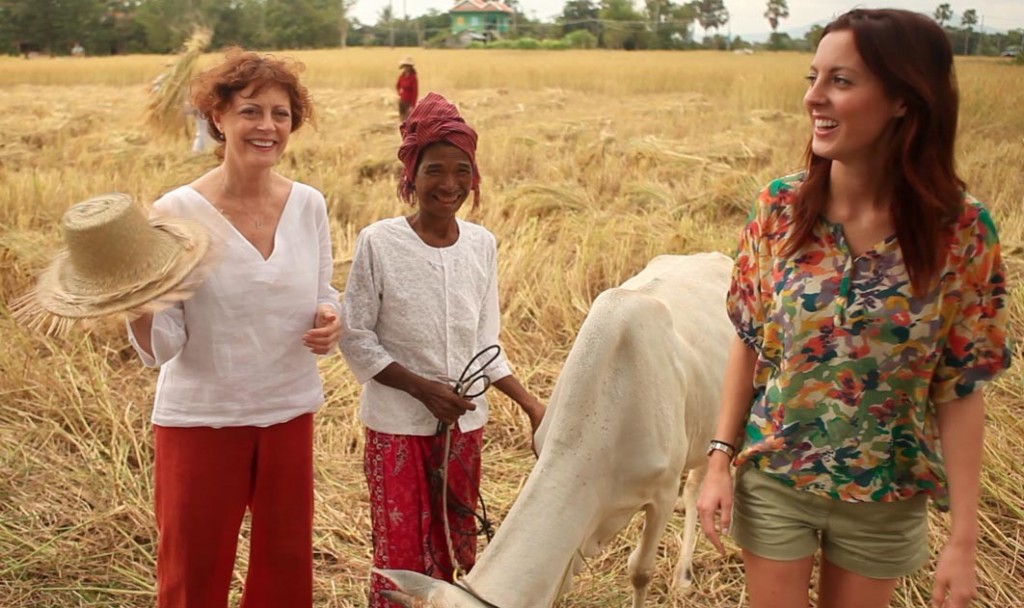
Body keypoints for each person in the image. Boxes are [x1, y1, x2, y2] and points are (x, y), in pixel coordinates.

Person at [696, 9, 1011, 608]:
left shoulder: (963, 231)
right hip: (776, 477)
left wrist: (964, 539)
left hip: (885, 493)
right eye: (812, 78)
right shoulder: (780, 208)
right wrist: (718, 461)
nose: (815, 97)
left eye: (841, 81)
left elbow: (962, 387)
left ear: (902, 98)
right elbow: (749, 340)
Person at [127, 48, 341, 608]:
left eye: (281, 113)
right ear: (217, 118)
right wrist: (137, 303)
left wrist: (329, 321)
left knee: (286, 565)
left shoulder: (309, 205)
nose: (267, 126)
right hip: (203, 419)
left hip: (289, 409)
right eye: (251, 111)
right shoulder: (174, 213)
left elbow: (323, 294)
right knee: (193, 572)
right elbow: (165, 346)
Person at [339, 92, 545, 608]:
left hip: (465, 427)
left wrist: (533, 406)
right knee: (402, 551)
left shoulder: (482, 244)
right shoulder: (379, 242)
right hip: (397, 426)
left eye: (462, 171)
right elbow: (357, 335)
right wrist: (422, 389)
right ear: (411, 176)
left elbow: (486, 342)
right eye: (434, 170)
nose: (449, 184)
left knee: (461, 540)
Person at [396, 57, 418, 121]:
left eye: (407, 66)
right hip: (402, 100)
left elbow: (415, 92)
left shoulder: (413, 77)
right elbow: (397, 85)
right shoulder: (402, 76)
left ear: (410, 67)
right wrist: (399, 93)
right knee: (401, 118)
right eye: (405, 66)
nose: (406, 68)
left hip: (409, 102)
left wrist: (412, 105)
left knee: (407, 119)